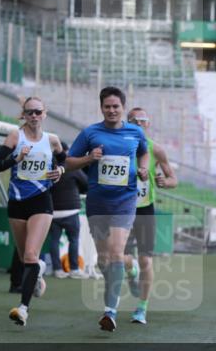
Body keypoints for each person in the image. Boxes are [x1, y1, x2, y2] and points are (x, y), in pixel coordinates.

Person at [66, 87, 149, 332]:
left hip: (124, 201)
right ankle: (130, 267)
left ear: (123, 107)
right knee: (104, 259)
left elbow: (143, 153)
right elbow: (69, 162)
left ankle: (109, 311)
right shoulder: (90, 133)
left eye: (116, 106)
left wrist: (143, 170)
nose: (112, 110)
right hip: (97, 202)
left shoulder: (135, 132)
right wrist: (89, 159)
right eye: (107, 106)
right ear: (101, 108)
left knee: (114, 253)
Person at [0, 97, 64, 327]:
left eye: (37, 112)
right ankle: (38, 270)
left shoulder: (52, 140)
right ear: (24, 114)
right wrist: (16, 158)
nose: (33, 116)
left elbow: (63, 158)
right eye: (29, 112)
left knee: (31, 255)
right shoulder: (15, 136)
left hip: (42, 200)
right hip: (18, 202)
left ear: (45, 113)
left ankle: (23, 309)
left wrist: (60, 169)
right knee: (24, 258)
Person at [123, 108, 177, 325]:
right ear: (127, 123)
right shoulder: (120, 145)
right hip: (122, 208)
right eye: (134, 121)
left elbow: (174, 179)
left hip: (145, 209)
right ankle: (130, 269)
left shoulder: (156, 150)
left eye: (142, 121)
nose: (139, 124)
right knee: (119, 256)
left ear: (148, 124)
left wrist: (165, 182)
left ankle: (142, 308)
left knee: (146, 259)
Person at [47, 149, 88, 279]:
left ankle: (57, 269)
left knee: (54, 240)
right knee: (74, 240)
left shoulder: (48, 169)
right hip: (71, 211)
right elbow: (86, 184)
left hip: (53, 212)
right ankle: (74, 269)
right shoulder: (72, 168)